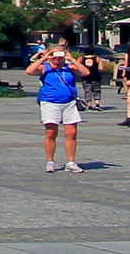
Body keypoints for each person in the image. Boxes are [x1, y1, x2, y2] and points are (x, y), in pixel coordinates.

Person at [25, 40, 85, 174]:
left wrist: (71, 59)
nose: (57, 58)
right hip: (50, 103)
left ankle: (71, 162)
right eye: (55, 55)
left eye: (60, 55)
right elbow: (29, 71)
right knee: (51, 133)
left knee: (72, 133)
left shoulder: (69, 67)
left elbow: (85, 72)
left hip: (69, 103)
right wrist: (45, 58)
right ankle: (50, 161)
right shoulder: (45, 67)